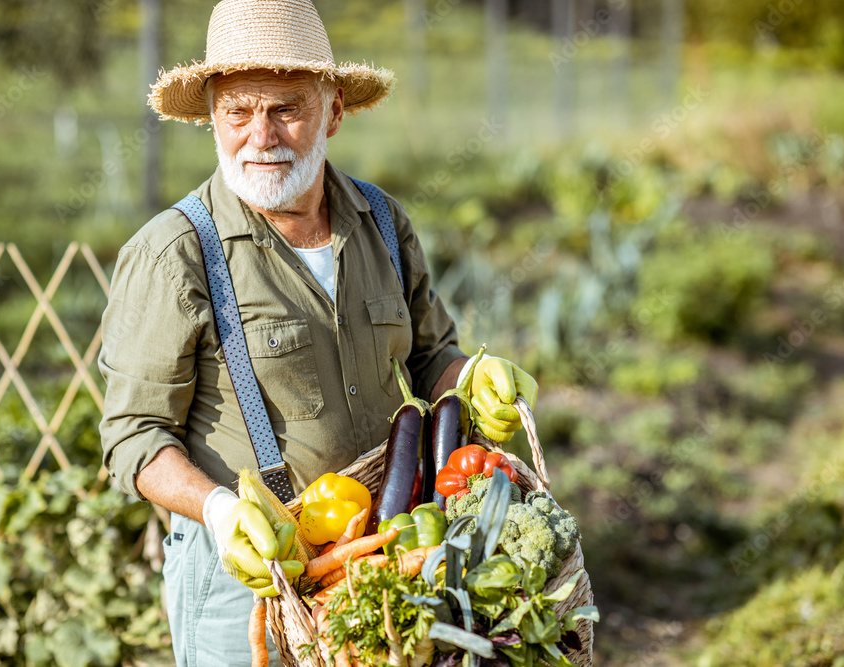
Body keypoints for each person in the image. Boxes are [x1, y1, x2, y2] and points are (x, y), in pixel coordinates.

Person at [98, 0, 538, 664]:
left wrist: (476, 379)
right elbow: (133, 436)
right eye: (237, 113)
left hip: (385, 563)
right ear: (212, 119)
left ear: (332, 109)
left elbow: (432, 355)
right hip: (248, 578)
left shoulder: (382, 221)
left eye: (286, 109)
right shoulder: (175, 253)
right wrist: (218, 510)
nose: (260, 135)